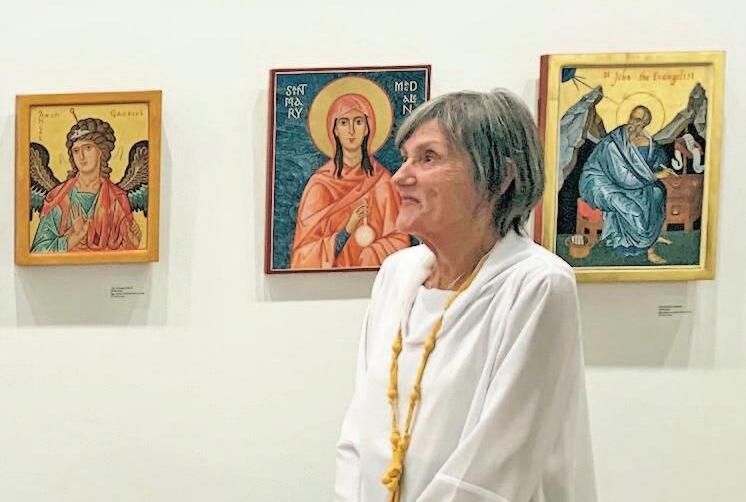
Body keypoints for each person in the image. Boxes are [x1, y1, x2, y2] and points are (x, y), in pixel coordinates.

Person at [334, 90, 597, 501]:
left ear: (500, 177)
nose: (399, 177)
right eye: (405, 157)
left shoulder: (536, 284)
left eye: (428, 158)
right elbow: (361, 428)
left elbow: (498, 464)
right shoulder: (396, 275)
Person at [290, 93, 409, 269]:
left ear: (367, 128)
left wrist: (370, 255)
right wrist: (346, 231)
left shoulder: (382, 182)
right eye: (344, 123)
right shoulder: (319, 186)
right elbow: (303, 256)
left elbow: (400, 242)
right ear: (335, 130)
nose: (351, 131)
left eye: (358, 122)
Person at [579, 105, 676, 264]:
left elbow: (655, 162)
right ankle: (640, 245)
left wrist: (662, 169)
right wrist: (656, 175)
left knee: (658, 193)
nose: (632, 122)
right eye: (632, 117)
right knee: (634, 209)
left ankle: (651, 239)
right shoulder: (614, 143)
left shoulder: (649, 142)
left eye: (638, 120)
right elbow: (623, 178)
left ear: (645, 123)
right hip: (609, 183)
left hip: (636, 184)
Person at [31, 118, 142, 253]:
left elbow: (126, 252)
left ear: (101, 151)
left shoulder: (118, 198)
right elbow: (38, 251)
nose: (81, 156)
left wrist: (133, 244)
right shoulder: (59, 198)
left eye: (88, 148)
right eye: (76, 151)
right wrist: (72, 239)